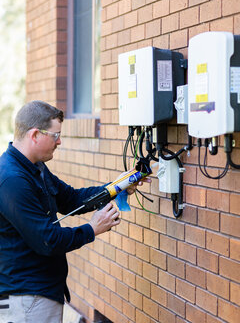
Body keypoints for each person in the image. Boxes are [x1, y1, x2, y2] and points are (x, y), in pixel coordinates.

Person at [0, 100, 150, 323]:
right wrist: (92, 229)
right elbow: (47, 240)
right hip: (27, 300)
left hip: (39, 295)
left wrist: (116, 186)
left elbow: (71, 199)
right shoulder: (13, 179)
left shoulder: (34, 168)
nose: (59, 141)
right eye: (55, 135)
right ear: (34, 135)